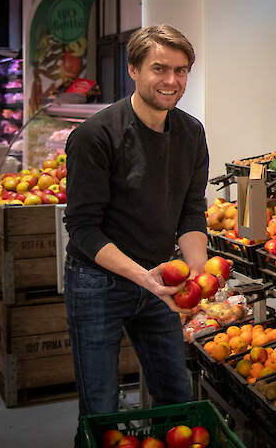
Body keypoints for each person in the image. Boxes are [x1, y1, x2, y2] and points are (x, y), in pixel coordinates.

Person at [63, 25, 209, 423]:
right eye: (159, 69)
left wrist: (198, 269)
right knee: (101, 406)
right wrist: (144, 277)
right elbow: (83, 228)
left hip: (161, 278)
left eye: (181, 71)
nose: (171, 81)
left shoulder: (191, 133)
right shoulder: (95, 135)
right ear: (133, 70)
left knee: (176, 395)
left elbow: (192, 210)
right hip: (98, 280)